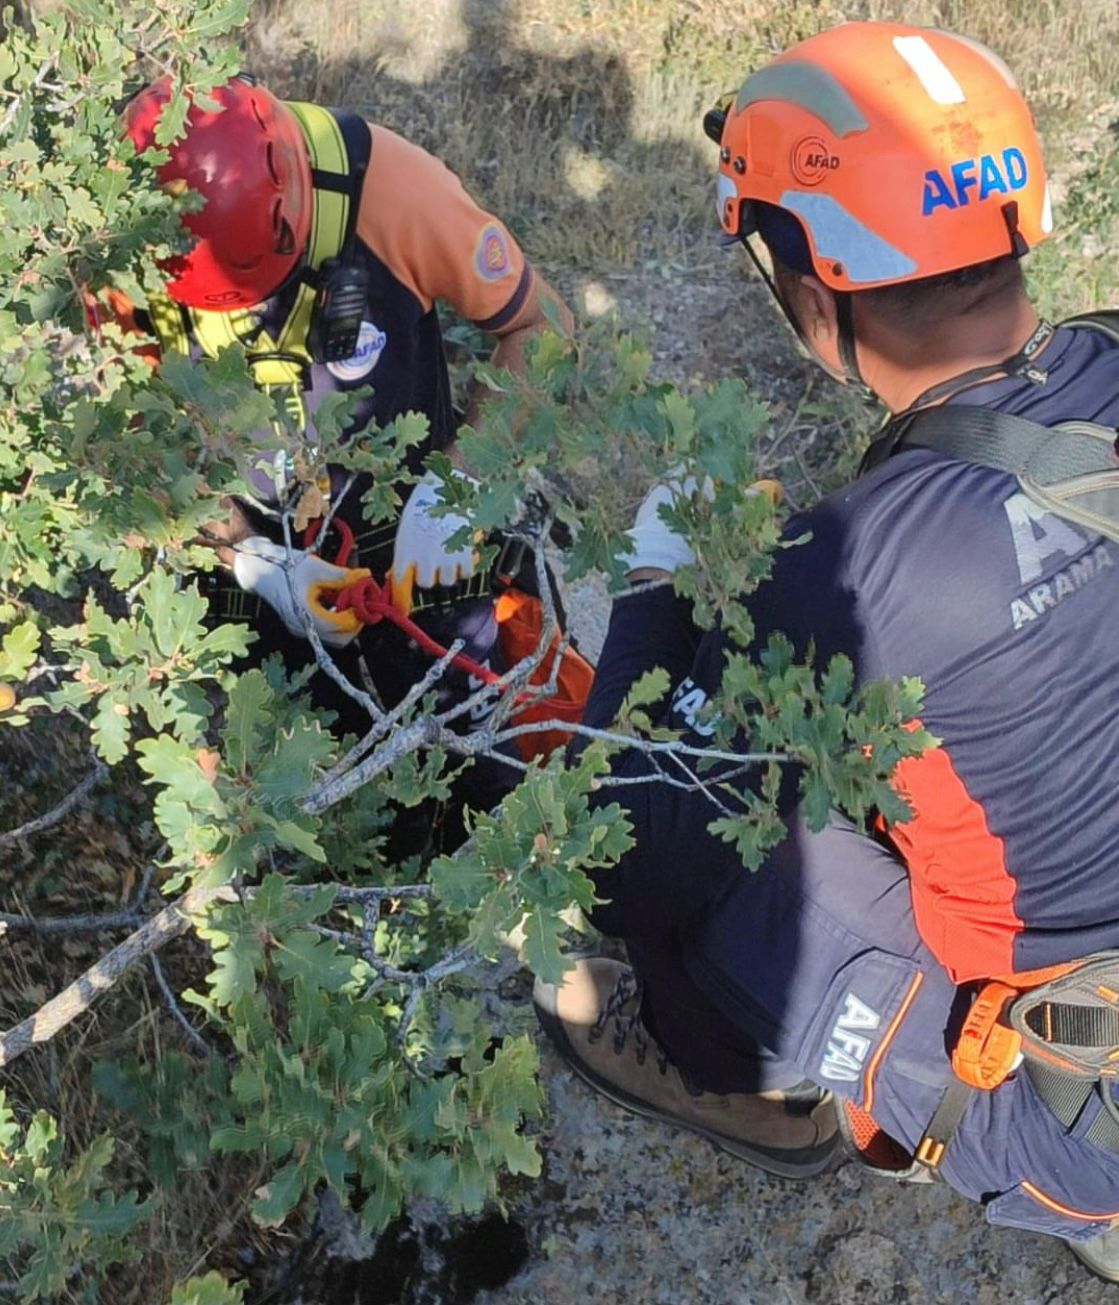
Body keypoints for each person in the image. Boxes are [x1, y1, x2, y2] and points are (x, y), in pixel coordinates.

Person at [532, 21, 1119, 1279]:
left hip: (1084, 1109)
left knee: (728, 895)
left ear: (814, 291)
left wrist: (655, 590)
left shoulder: (856, 567)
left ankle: (750, 1085)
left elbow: (623, 856)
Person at [117, 74, 578, 849]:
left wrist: (465, 482)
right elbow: (129, 458)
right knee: (278, 794)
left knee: (475, 748)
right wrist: (243, 555)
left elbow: (543, 329)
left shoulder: (389, 188)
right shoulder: (124, 255)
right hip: (253, 543)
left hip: (424, 528)